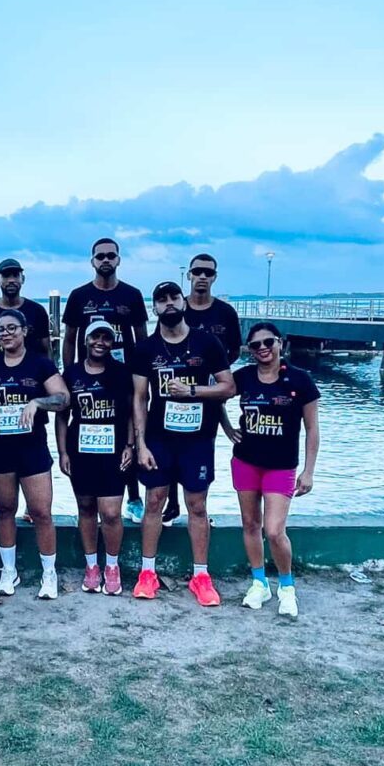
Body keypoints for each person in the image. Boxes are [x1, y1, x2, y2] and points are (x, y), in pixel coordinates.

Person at [131, 282, 235, 606]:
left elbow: (228, 387)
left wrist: (192, 392)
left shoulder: (207, 343)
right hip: (159, 439)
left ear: (183, 302)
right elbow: (139, 398)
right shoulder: (146, 349)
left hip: (198, 439)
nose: (169, 303)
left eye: (174, 297)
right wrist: (140, 444)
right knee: (153, 502)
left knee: (197, 505)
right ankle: (147, 573)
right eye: (161, 300)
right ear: (154, 308)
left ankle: (201, 576)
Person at [227, 323, 320, 618]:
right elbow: (217, 395)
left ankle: (287, 587)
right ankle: (259, 583)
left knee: (274, 530)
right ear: (249, 350)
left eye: (268, 342)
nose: (263, 348)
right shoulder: (243, 377)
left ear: (280, 343)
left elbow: (312, 428)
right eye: (256, 345)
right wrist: (226, 427)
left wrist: (309, 471)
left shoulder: (300, 380)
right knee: (250, 524)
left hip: (281, 467)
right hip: (245, 461)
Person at [0, 308, 69, 601]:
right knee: (5, 509)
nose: (6, 334)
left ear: (24, 331)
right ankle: (8, 571)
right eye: (0, 329)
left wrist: (37, 402)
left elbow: (63, 398)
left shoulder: (40, 364)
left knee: (41, 512)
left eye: (12, 328)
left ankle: (49, 573)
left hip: (32, 448)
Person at [62, 237, 148, 523]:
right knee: (91, 432)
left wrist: (142, 376)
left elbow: (142, 338)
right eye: (101, 256)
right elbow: (70, 338)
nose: (106, 260)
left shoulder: (132, 295)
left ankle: (133, 497)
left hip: (125, 375)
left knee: (129, 432)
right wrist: (70, 375)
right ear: (93, 261)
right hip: (88, 375)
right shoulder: (79, 296)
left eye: (111, 255)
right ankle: (91, 497)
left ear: (118, 260)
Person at [162, 253, 243, 526]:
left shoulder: (225, 312)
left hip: (209, 387)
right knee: (170, 445)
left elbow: (235, 349)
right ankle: (172, 503)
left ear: (214, 277)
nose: (202, 277)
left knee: (203, 448)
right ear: (189, 275)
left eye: (208, 273)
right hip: (174, 389)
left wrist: (217, 371)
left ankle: (199, 508)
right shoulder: (177, 307)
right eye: (197, 272)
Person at [56, 323, 134, 596]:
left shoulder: (121, 372)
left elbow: (131, 411)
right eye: (95, 336)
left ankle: (112, 566)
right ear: (86, 340)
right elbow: (62, 416)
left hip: (114, 451)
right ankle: (91, 566)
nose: (100, 342)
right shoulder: (72, 373)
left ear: (112, 342)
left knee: (111, 512)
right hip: (80, 451)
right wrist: (63, 452)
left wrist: (130, 445)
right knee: (86, 508)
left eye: (106, 338)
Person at [0, 258, 51, 362]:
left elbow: (46, 350)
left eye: (16, 275)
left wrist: (51, 371)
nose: (11, 280)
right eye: (6, 276)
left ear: (23, 279)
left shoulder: (37, 311)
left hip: (31, 370)